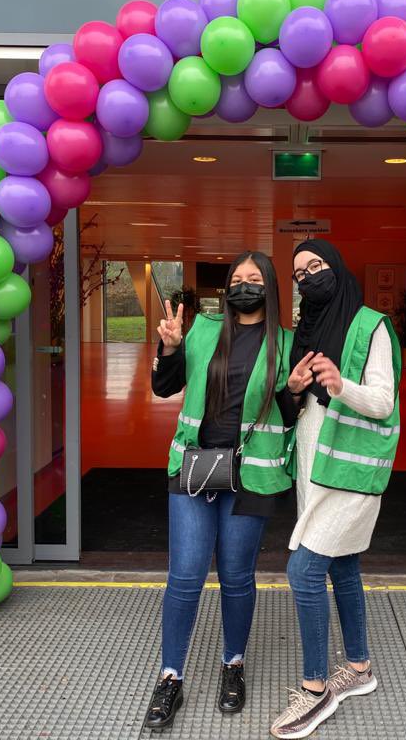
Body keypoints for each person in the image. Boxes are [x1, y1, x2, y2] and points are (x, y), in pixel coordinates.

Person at [145, 250, 297, 730]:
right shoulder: (204, 330)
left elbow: (292, 414)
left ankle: (233, 664)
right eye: (237, 278)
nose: (244, 285)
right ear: (227, 287)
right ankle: (171, 676)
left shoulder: (286, 344)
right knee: (185, 577)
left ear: (269, 287)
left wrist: (294, 389)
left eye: (254, 279)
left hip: (251, 477)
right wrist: (170, 347)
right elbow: (165, 387)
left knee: (236, 577)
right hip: (195, 468)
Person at [270, 239, 402, 740]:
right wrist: (294, 388)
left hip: (350, 472)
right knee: (342, 564)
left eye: (316, 265)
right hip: (314, 467)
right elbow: (295, 409)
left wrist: (341, 385)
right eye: (299, 274)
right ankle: (360, 668)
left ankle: (315, 687)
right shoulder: (305, 330)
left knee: (304, 571)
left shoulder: (371, 326)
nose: (308, 277)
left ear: (337, 268)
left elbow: (383, 401)